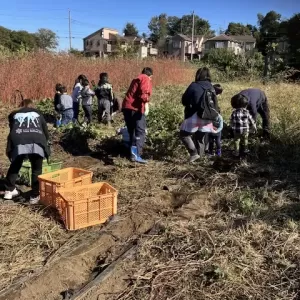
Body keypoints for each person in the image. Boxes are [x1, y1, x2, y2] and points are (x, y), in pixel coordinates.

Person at [4, 99, 50, 203]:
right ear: (32, 106)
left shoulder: (15, 114)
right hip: (37, 139)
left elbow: (13, 132)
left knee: (16, 164)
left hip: (18, 140)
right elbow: (45, 132)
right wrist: (45, 143)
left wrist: (10, 149)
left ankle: (9, 190)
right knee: (36, 169)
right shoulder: (38, 114)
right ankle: (34, 196)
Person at [180, 67, 219, 161]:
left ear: (198, 75)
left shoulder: (194, 85)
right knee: (200, 136)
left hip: (195, 115)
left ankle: (193, 154)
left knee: (184, 134)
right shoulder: (211, 87)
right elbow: (215, 103)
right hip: (208, 117)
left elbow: (184, 100)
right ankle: (200, 158)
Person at [122, 67, 153, 164]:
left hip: (127, 107)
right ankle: (136, 155)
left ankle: (132, 154)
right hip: (136, 109)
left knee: (132, 131)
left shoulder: (136, 79)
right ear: (150, 75)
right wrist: (146, 103)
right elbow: (144, 94)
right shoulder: (145, 78)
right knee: (140, 131)